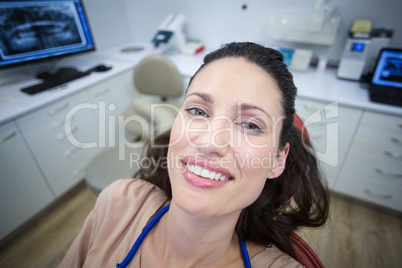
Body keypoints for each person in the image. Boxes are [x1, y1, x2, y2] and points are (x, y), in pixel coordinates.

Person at [58, 42, 329, 267]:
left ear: (278, 160)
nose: (210, 142)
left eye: (250, 125)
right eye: (197, 111)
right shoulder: (117, 203)